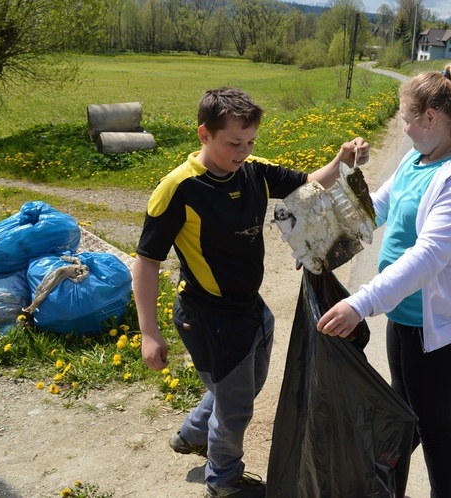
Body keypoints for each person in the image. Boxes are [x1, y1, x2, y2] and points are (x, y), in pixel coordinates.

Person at [133, 87, 369, 498]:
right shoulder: (178, 189)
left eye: (250, 142)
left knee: (244, 386)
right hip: (207, 314)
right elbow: (147, 262)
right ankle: (223, 481)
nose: (242, 151)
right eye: (233, 143)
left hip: (249, 307)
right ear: (204, 134)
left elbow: (309, 183)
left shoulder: (253, 171)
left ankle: (192, 434)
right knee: (236, 404)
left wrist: (341, 160)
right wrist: (148, 332)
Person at [317, 63, 451, 498]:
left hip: (442, 322)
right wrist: (324, 243)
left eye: (406, 119)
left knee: (432, 423)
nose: (403, 129)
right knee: (403, 413)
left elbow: (428, 257)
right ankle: (390, 489)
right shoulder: (420, 156)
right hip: (405, 311)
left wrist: (360, 303)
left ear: (431, 118)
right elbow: (377, 208)